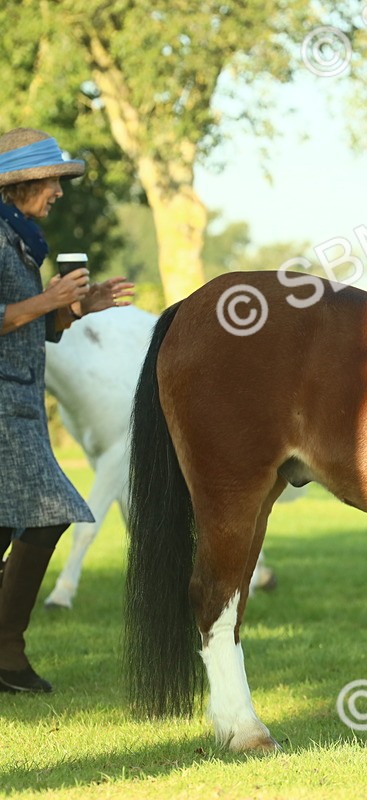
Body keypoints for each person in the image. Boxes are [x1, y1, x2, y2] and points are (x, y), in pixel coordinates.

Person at [0, 127, 134, 692]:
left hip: (19, 400)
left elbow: (27, 329)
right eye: (53, 180)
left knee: (12, 520)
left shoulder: (20, 239)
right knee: (52, 508)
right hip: (6, 410)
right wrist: (47, 300)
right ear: (24, 183)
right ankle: (6, 653)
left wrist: (76, 309)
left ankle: (6, 657)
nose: (59, 191)